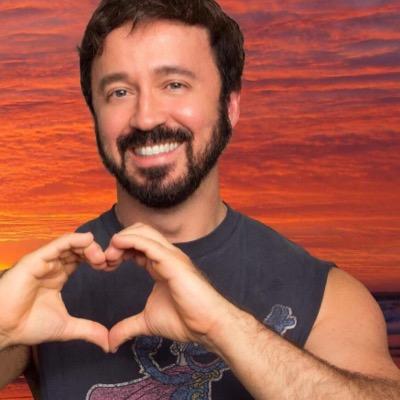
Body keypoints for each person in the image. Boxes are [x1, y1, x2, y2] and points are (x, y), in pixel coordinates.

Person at [1, 0, 399, 398]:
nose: (146, 117)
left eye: (174, 84)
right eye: (119, 92)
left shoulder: (328, 297)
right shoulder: (36, 295)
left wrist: (222, 326)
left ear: (230, 106)